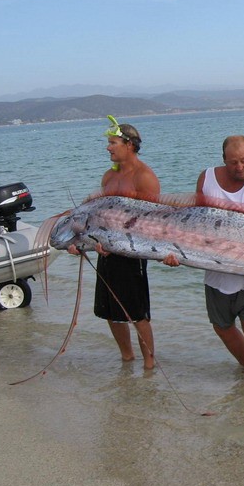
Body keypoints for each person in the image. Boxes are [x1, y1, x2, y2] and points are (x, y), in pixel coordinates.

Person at [163, 135, 244, 384]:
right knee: (221, 327)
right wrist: (173, 252)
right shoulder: (206, 179)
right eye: (233, 163)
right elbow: (194, 225)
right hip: (214, 272)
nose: (240, 167)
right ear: (223, 160)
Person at [68, 115, 160, 370]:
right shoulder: (109, 177)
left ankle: (149, 364)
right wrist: (87, 241)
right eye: (108, 143)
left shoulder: (145, 177)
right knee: (109, 311)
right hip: (105, 251)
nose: (108, 147)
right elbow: (99, 217)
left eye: (113, 143)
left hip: (131, 253)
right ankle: (126, 357)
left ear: (129, 144)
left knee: (137, 313)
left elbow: (150, 223)